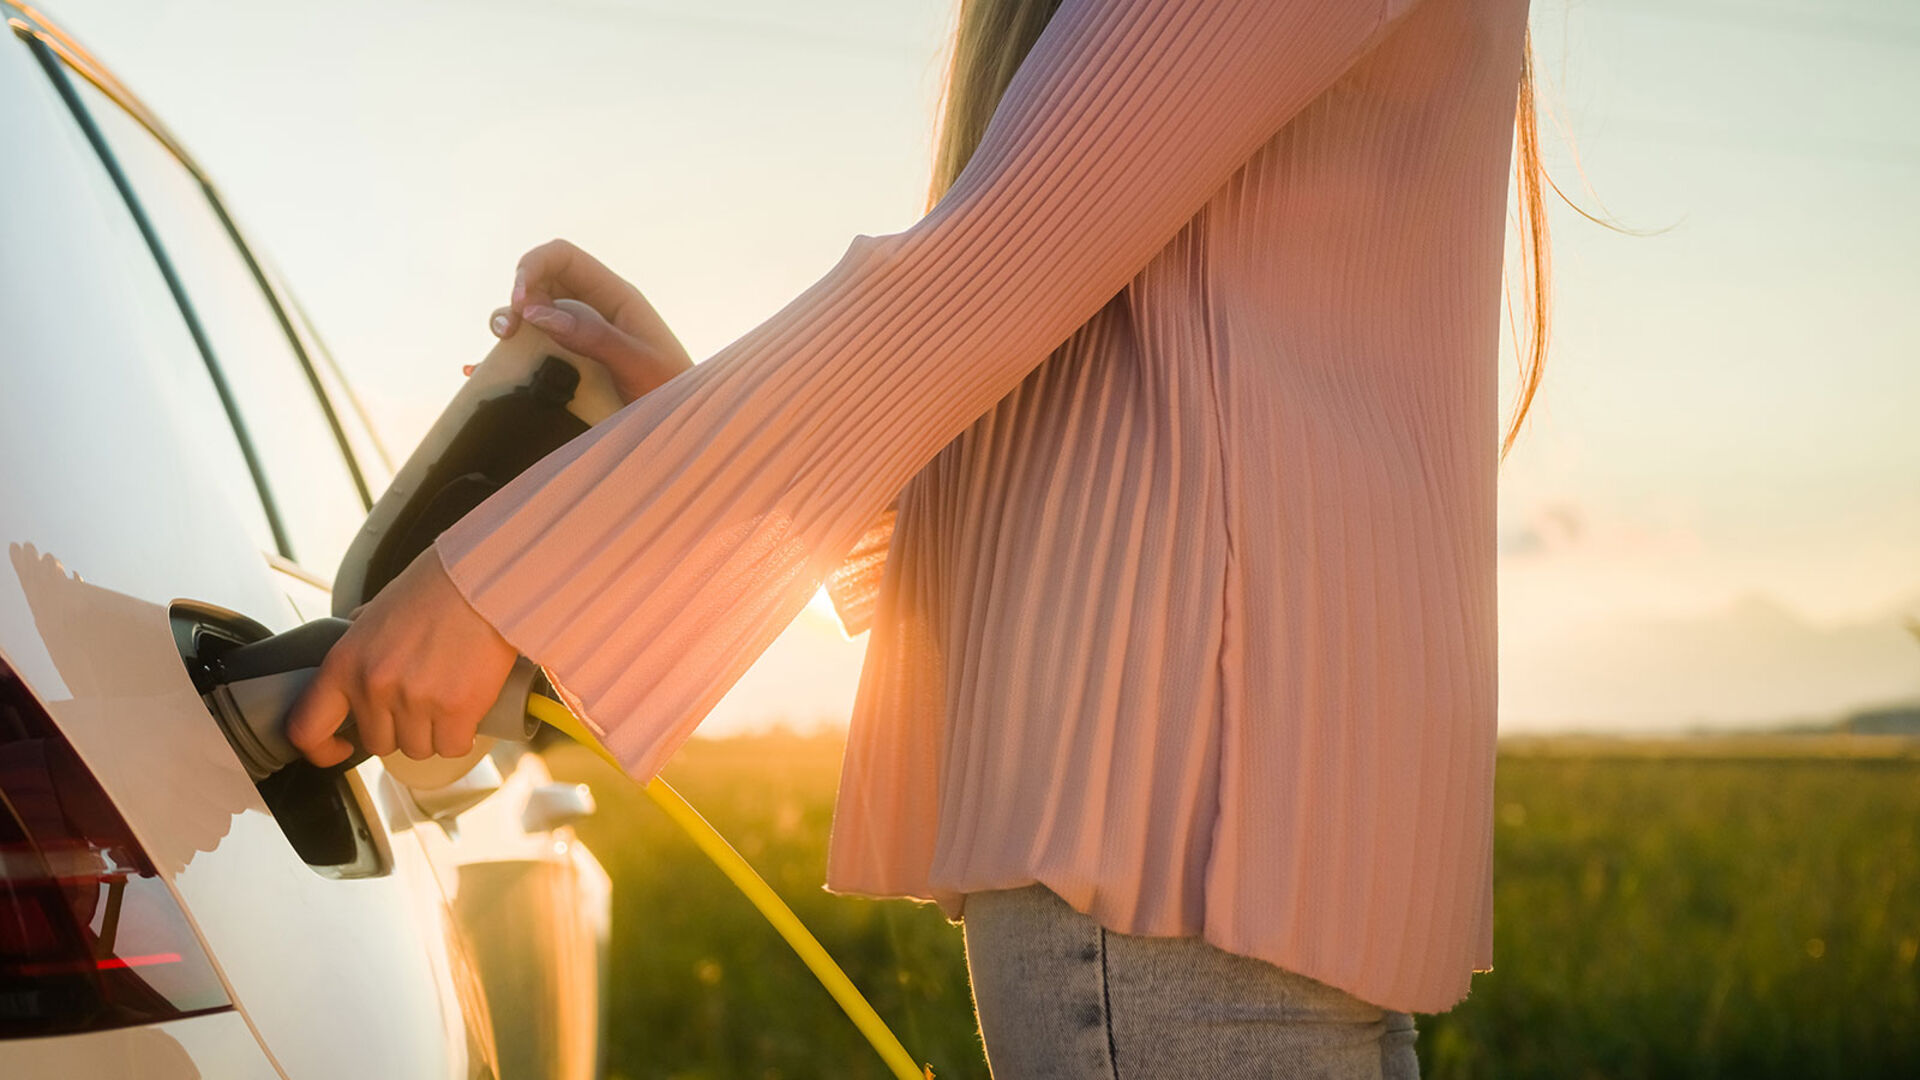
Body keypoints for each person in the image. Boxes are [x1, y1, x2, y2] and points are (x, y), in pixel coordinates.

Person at [289, 0, 1548, 1074]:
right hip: (1238, 847)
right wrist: (684, 426)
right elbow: (1092, 433)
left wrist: (516, 579)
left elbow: (989, 271)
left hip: (1182, 867)